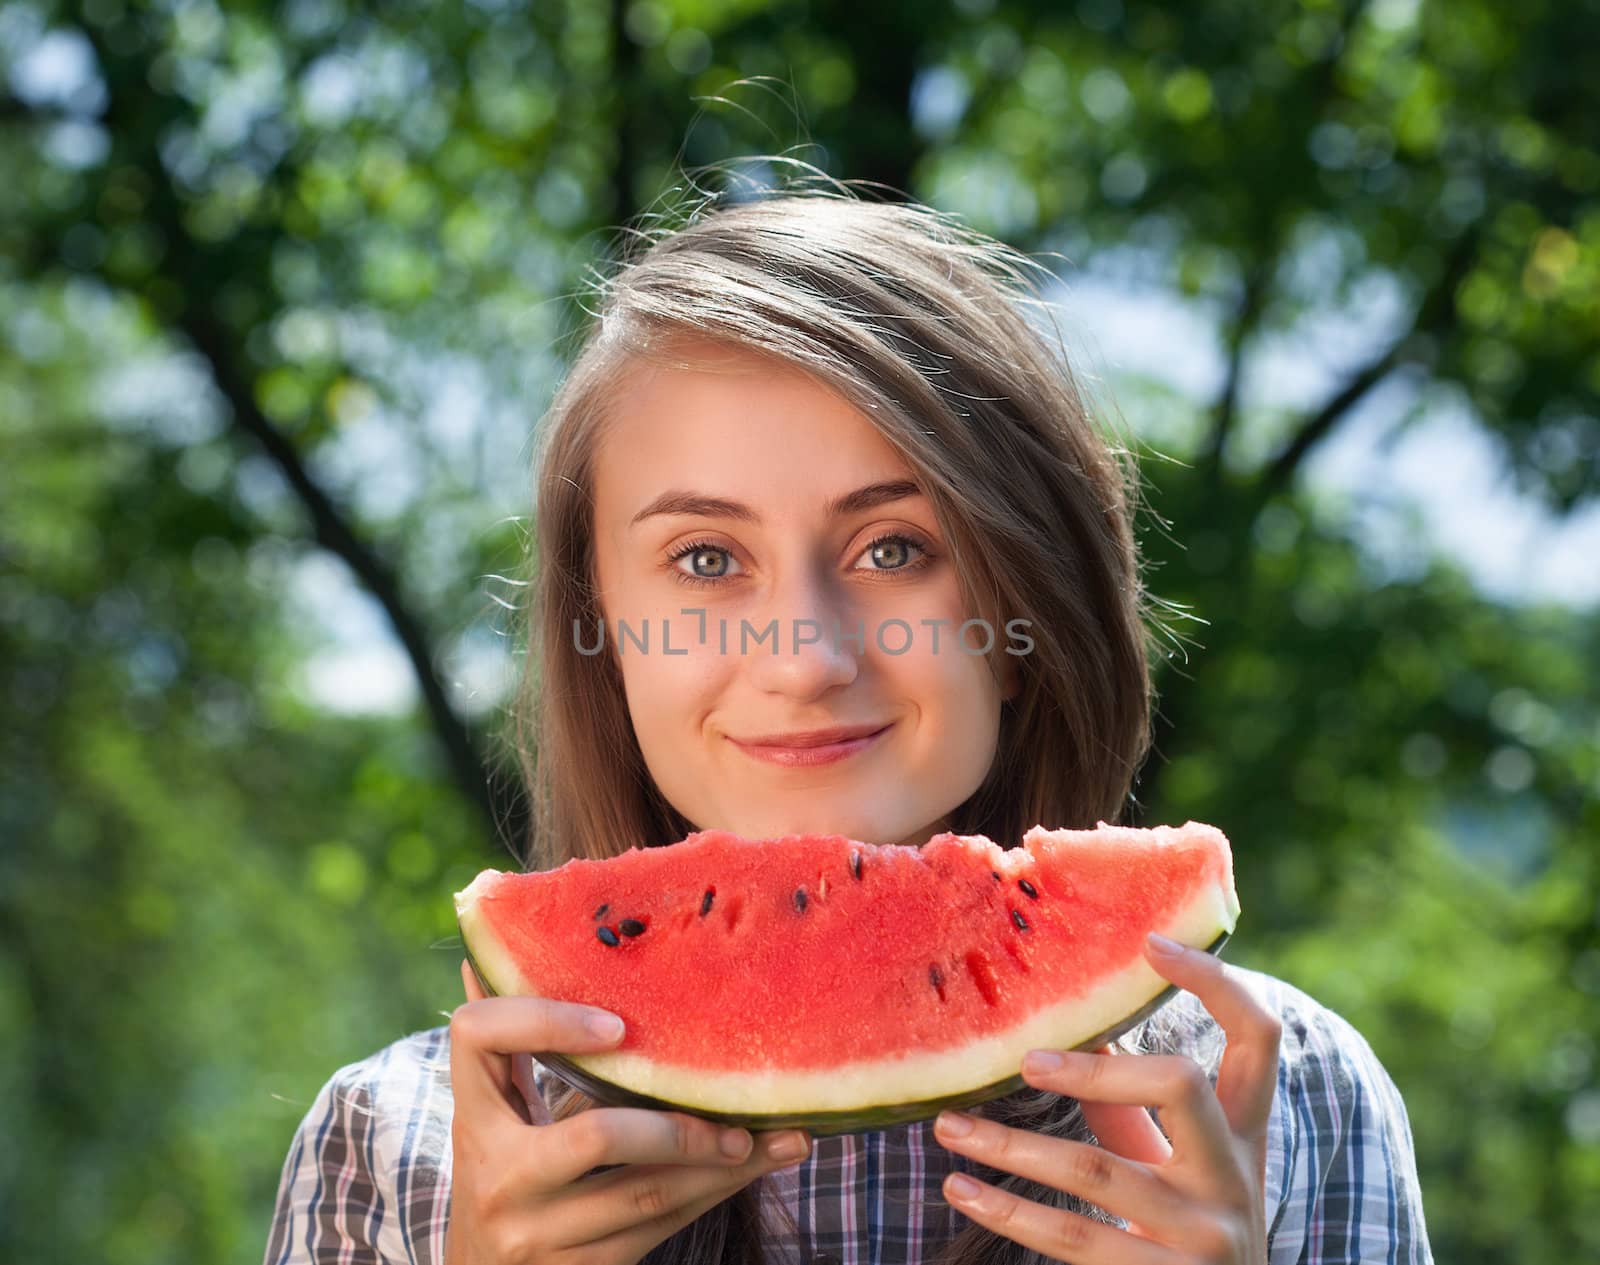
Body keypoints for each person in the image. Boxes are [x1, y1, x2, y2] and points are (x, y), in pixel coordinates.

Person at [264, 176, 1434, 1265]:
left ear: (1019, 611)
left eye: (894, 548)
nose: (805, 656)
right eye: (706, 558)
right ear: (606, 629)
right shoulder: (393, 1148)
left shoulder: (1280, 1099)